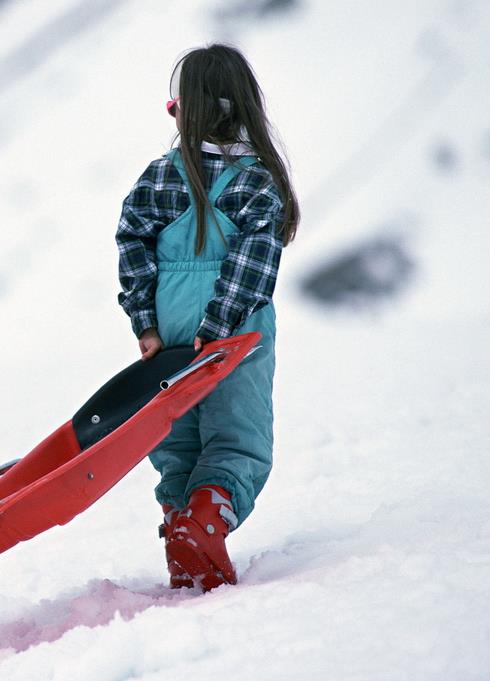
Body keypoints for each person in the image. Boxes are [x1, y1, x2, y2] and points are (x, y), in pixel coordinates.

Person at [115, 44, 299, 592]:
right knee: (237, 438)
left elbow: (133, 245)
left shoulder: (158, 177)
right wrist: (220, 327)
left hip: (169, 334)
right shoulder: (257, 181)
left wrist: (146, 323)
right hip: (236, 332)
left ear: (183, 110)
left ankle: (180, 529)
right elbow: (253, 261)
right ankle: (204, 523)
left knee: (178, 437)